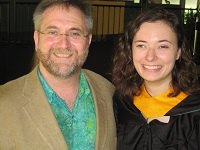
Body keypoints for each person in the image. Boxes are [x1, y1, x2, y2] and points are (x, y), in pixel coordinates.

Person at [0, 0, 116, 149]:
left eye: (75, 33)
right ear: (36, 39)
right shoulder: (4, 103)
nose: (63, 44)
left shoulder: (108, 91)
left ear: (88, 41)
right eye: (52, 32)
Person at [112, 7, 200, 149]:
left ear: (178, 52)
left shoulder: (194, 112)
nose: (150, 57)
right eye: (141, 45)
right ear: (130, 51)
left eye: (163, 46)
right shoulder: (119, 105)